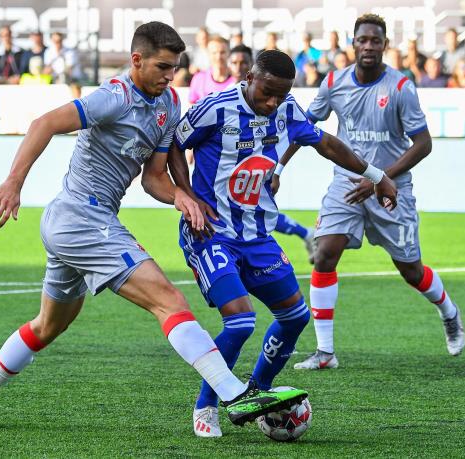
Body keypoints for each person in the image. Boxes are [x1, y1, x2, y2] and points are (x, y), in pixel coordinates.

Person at [0, 21, 307, 428]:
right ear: (137, 60)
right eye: (162, 67)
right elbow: (43, 124)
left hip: (82, 223)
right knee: (169, 300)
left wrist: (182, 197)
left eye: (175, 68)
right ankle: (233, 394)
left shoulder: (168, 104)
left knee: (47, 326)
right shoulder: (113, 97)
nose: (170, 76)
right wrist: (14, 183)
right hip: (81, 217)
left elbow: (153, 178)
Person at [168, 49, 398, 437]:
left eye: (281, 94)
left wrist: (377, 175)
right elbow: (176, 143)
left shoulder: (287, 110)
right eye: (267, 93)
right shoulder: (215, 109)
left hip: (257, 234)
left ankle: (256, 392)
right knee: (240, 322)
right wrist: (188, 196)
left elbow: (327, 144)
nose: (273, 102)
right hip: (211, 233)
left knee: (295, 317)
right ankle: (206, 405)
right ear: (249, 78)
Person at [278, 14, 465, 371]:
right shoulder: (333, 82)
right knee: (324, 253)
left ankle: (448, 311)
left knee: (411, 271)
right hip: (347, 185)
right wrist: (278, 168)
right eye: (362, 40)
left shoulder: (401, 87)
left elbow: (423, 143)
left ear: (384, 45)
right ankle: (325, 353)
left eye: (375, 41)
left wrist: (381, 178)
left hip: (391, 189)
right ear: (353, 44)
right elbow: (304, 127)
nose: (368, 46)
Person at [228, 45, 317, 262]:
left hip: (254, 169)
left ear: (251, 67)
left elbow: (303, 134)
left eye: (244, 62)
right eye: (235, 62)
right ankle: (305, 234)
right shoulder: (219, 94)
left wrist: (277, 170)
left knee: (255, 211)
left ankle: (304, 234)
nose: (239, 67)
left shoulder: (273, 99)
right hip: (224, 169)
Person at [188, 35, 236, 104]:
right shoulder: (198, 78)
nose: (218, 57)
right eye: (214, 53)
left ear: (229, 53)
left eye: (222, 52)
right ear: (208, 54)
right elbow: (192, 106)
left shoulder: (237, 80)